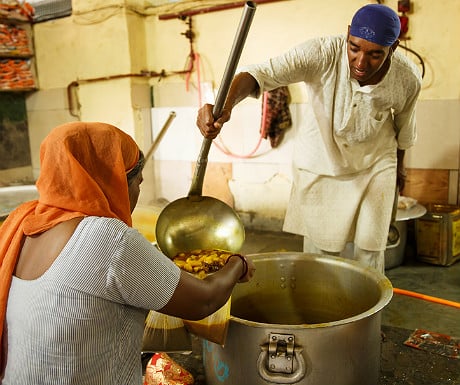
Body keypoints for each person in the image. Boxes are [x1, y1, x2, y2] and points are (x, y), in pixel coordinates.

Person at [0, 121, 255, 384]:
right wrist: (237, 264)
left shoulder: (24, 227)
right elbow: (205, 301)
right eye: (137, 184)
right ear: (117, 183)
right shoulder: (106, 237)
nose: (136, 195)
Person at [196, 4, 422, 274]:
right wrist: (226, 104)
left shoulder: (406, 78)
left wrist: (401, 169)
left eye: (375, 54)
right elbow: (259, 73)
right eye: (354, 48)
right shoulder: (321, 53)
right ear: (348, 34)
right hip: (321, 161)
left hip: (376, 165)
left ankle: (366, 315)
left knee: (371, 250)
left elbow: (404, 129)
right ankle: (322, 310)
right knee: (321, 253)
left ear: (393, 48)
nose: (361, 63)